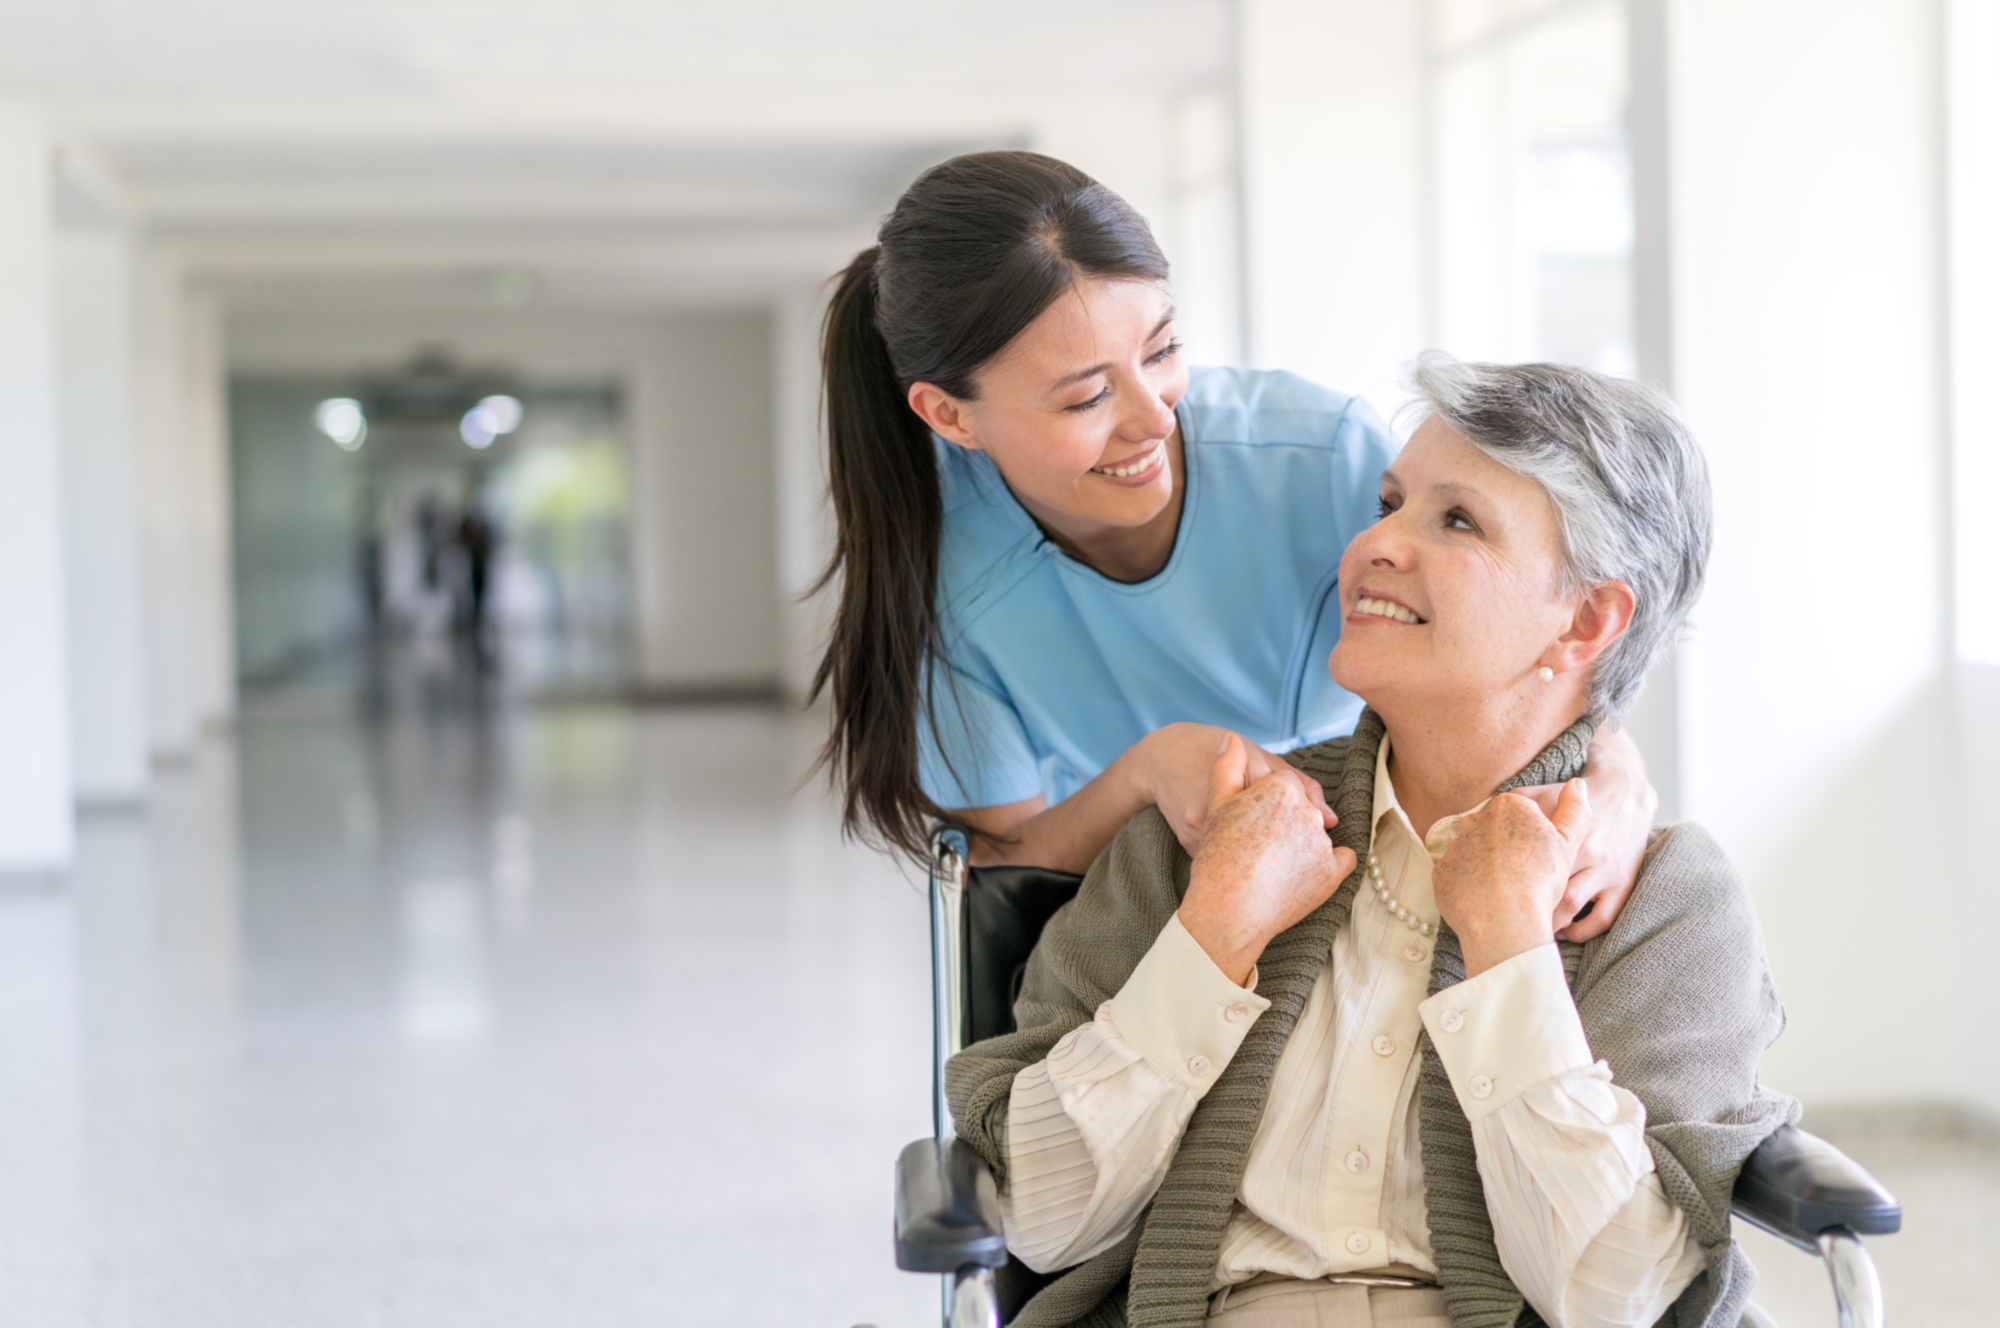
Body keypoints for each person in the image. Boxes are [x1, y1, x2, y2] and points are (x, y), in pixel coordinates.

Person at [945, 357, 1797, 1328]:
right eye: (1389, 501)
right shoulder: (1206, 828)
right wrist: (1211, 930)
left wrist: (1511, 949)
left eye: (1455, 520)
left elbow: (1617, 1296)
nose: (1373, 543)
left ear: (1587, 618)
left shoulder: (1666, 899)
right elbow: (1039, 1215)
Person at [814, 150, 1653, 942]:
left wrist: (1617, 778)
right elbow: (1002, 863)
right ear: (949, 415)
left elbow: (1532, 641)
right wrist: (1148, 773)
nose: (1153, 418)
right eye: (1087, 398)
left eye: (1163, 351)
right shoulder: (942, 580)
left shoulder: (1322, 460)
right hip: (1141, 921)